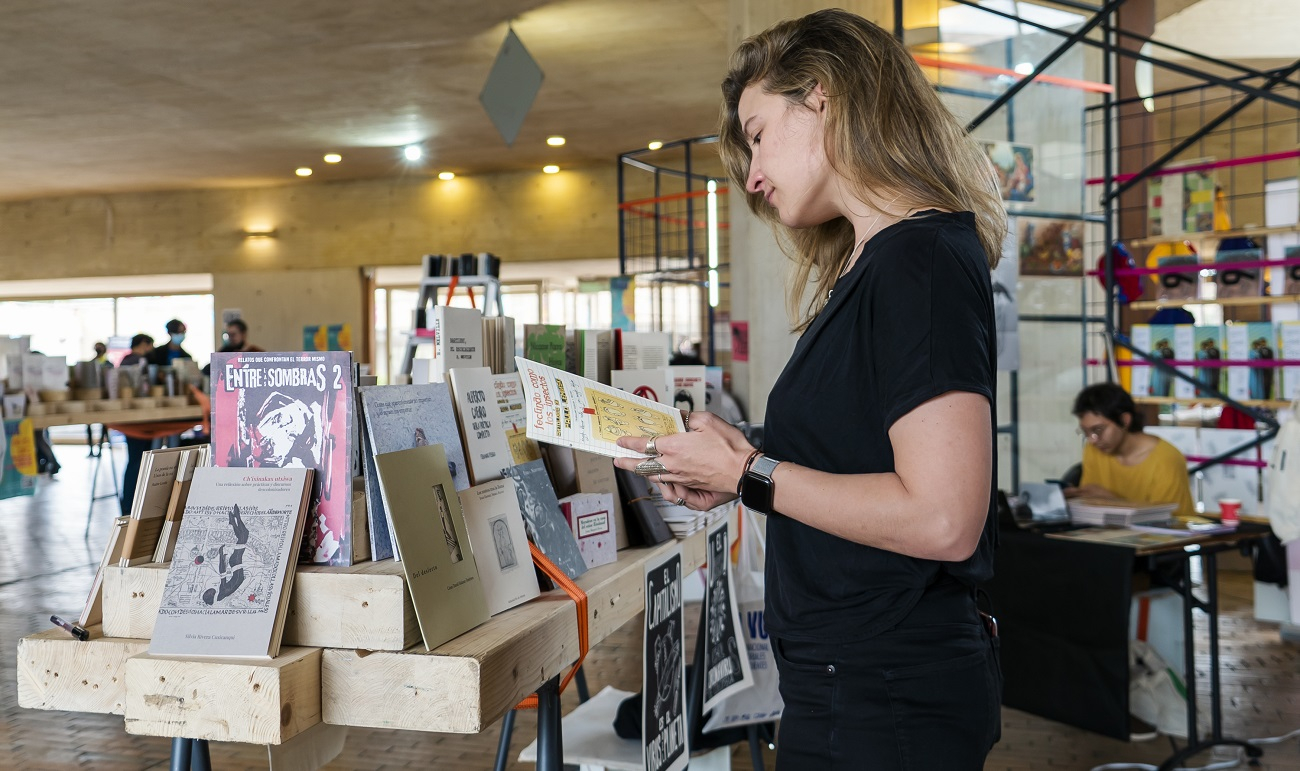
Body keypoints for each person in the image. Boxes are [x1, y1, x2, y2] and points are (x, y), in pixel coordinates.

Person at [613, 10, 1004, 768]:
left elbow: (944, 517)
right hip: (849, 681)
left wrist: (749, 474)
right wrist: (746, 456)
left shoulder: (918, 260)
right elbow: (863, 454)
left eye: (757, 133)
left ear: (821, 97)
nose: (753, 177)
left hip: (884, 692)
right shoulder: (877, 264)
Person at [1063, 383, 1196, 518]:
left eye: (1098, 430)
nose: (1092, 439)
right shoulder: (1093, 449)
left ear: (1124, 420)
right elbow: (1090, 506)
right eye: (1085, 432)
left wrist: (1115, 501)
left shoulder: (1166, 459)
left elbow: (1171, 522)